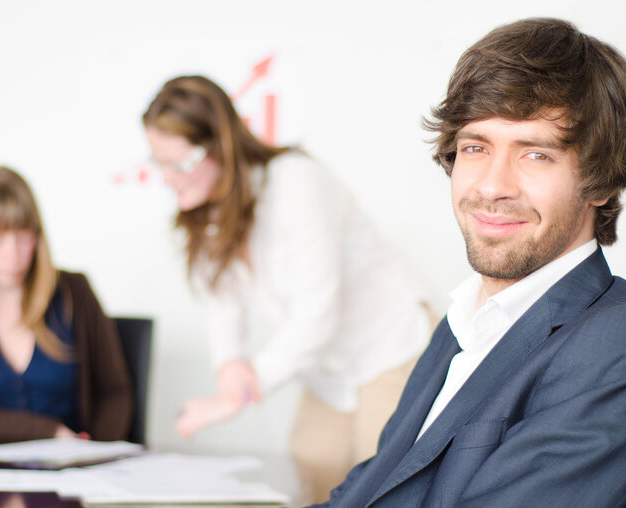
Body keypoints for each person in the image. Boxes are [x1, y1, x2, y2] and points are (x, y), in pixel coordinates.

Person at [312, 17, 626, 507]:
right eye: (475, 147)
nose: (492, 186)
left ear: (599, 182)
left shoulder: (624, 345)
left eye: (535, 155)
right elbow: (368, 491)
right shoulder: (462, 323)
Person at [142, 75, 433, 502]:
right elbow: (222, 304)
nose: (168, 178)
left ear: (222, 145)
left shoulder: (295, 181)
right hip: (327, 370)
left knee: (381, 490)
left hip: (391, 349)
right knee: (307, 477)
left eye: (179, 164)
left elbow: (317, 311)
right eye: (158, 163)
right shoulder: (206, 214)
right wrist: (230, 365)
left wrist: (243, 392)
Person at [0, 167, 133, 444]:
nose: (13, 255)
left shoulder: (75, 292)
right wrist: (49, 432)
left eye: (24, 238)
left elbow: (114, 392)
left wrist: (93, 451)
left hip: (70, 472)